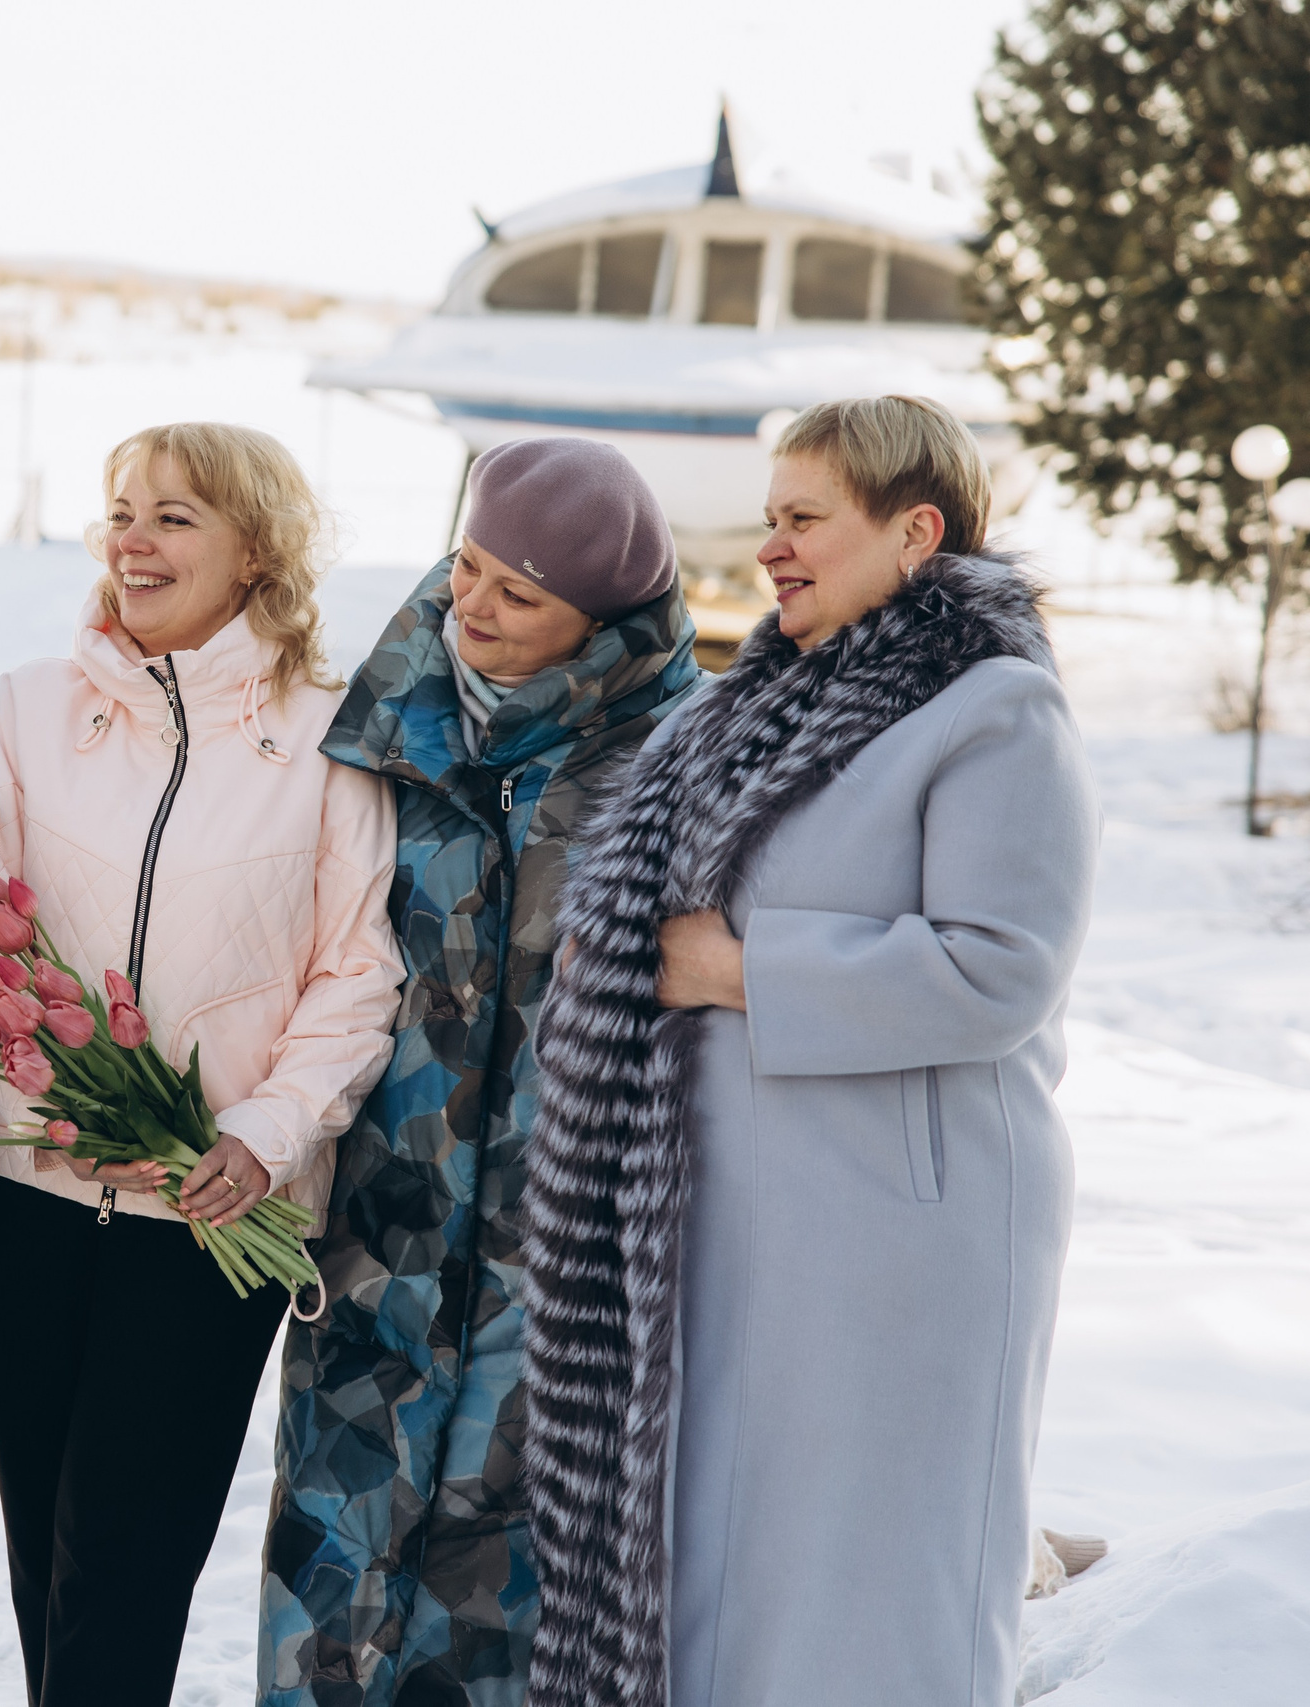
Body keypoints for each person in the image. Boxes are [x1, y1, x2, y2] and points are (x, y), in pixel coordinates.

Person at [519, 396, 1098, 1707]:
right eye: (767, 516)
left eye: (801, 518)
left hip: (902, 1227)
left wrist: (737, 967)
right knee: (737, 1571)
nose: (770, 545)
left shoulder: (994, 710)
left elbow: (998, 968)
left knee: (876, 1583)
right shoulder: (752, 705)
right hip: (740, 1216)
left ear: (914, 531)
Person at [0, 422, 403, 1707]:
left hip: (215, 1214)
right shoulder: (33, 707)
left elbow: (357, 971)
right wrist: (31, 1074)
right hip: (34, 1191)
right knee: (45, 1561)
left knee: (124, 1562)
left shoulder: (331, 739)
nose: (132, 542)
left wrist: (265, 1130)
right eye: (120, 512)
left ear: (255, 549)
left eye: (173, 517)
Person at [263, 438, 704, 1706]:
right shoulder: (384, 720)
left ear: (601, 619)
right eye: (467, 566)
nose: (473, 607)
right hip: (377, 1218)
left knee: (504, 1577)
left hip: (556, 1238)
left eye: (519, 595)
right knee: (334, 1557)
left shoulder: (677, 755)